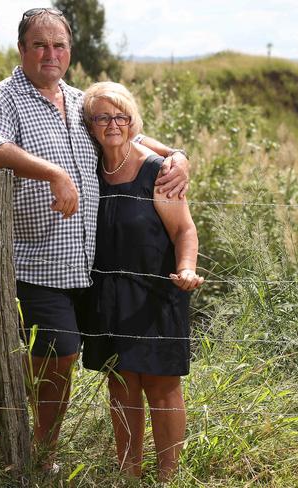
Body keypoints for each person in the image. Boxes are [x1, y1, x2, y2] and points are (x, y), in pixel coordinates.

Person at [0, 7, 190, 470]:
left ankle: (12, 430)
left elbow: (128, 133)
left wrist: (179, 157)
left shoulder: (80, 101)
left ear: (70, 51)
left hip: (86, 268)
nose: (51, 53)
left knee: (69, 360)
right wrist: (54, 173)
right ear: (22, 49)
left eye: (59, 45)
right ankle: (23, 439)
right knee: (61, 352)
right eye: (40, 45)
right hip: (33, 260)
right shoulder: (3, 98)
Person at [81, 81, 204, 481]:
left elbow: (185, 230)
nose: (112, 124)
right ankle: (128, 474)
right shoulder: (88, 167)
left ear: (133, 122)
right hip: (107, 296)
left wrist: (186, 268)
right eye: (102, 117)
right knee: (121, 383)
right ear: (89, 124)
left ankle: (168, 476)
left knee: (162, 385)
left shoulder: (158, 170)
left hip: (156, 292)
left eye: (121, 116)